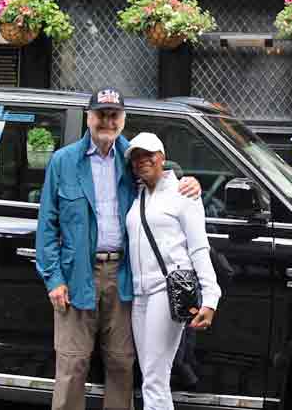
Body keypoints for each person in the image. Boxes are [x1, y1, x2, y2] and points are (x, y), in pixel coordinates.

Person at [35, 87, 201, 410]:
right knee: (72, 365)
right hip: (76, 274)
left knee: (122, 364)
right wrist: (53, 279)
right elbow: (46, 226)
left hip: (125, 276)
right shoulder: (63, 162)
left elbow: (164, 182)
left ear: (123, 120)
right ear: (89, 117)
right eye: (101, 115)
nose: (107, 122)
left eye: (114, 115)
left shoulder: (133, 159)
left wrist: (191, 182)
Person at [125, 132, 221, 410]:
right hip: (139, 293)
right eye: (136, 157)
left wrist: (211, 297)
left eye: (148, 155)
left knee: (154, 377)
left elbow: (199, 247)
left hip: (165, 293)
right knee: (152, 375)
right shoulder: (137, 194)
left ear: (162, 157)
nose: (142, 161)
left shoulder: (183, 193)